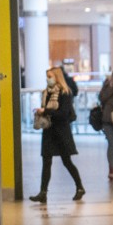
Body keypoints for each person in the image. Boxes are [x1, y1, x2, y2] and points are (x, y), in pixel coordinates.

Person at [29, 67, 85, 204]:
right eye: (47, 76)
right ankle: (43, 192)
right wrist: (41, 112)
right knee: (46, 161)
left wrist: (46, 111)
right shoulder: (46, 93)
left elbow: (64, 114)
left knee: (67, 162)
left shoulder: (65, 93)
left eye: (50, 76)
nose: (48, 79)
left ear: (57, 77)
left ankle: (80, 187)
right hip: (49, 131)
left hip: (61, 132)